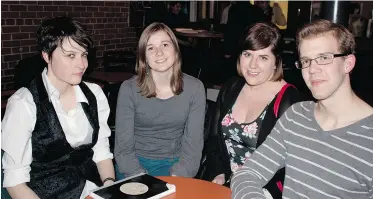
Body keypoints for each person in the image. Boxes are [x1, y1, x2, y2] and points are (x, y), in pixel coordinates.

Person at [231, 19, 373, 199]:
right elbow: (247, 174)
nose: (313, 69)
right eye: (306, 61)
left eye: (323, 58)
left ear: (348, 63)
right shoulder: (297, 116)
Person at [1, 16, 115, 199]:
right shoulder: (24, 104)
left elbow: (101, 150)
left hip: (90, 190)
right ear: (46, 55)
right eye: (71, 55)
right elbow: (15, 183)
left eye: (83, 54)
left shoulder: (94, 94)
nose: (81, 64)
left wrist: (109, 187)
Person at [201, 22, 303, 198]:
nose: (252, 65)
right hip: (225, 182)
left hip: (264, 189)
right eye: (247, 54)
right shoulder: (231, 87)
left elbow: (291, 165)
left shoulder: (288, 99)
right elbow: (214, 139)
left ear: (276, 62)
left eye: (263, 57)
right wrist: (219, 172)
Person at [114, 22, 205, 178]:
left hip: (175, 164)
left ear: (176, 50)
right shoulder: (128, 89)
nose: (159, 52)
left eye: (164, 44)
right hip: (133, 164)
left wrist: (177, 176)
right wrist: (140, 176)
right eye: (151, 48)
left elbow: (192, 149)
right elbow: (123, 150)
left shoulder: (195, 88)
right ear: (144, 58)